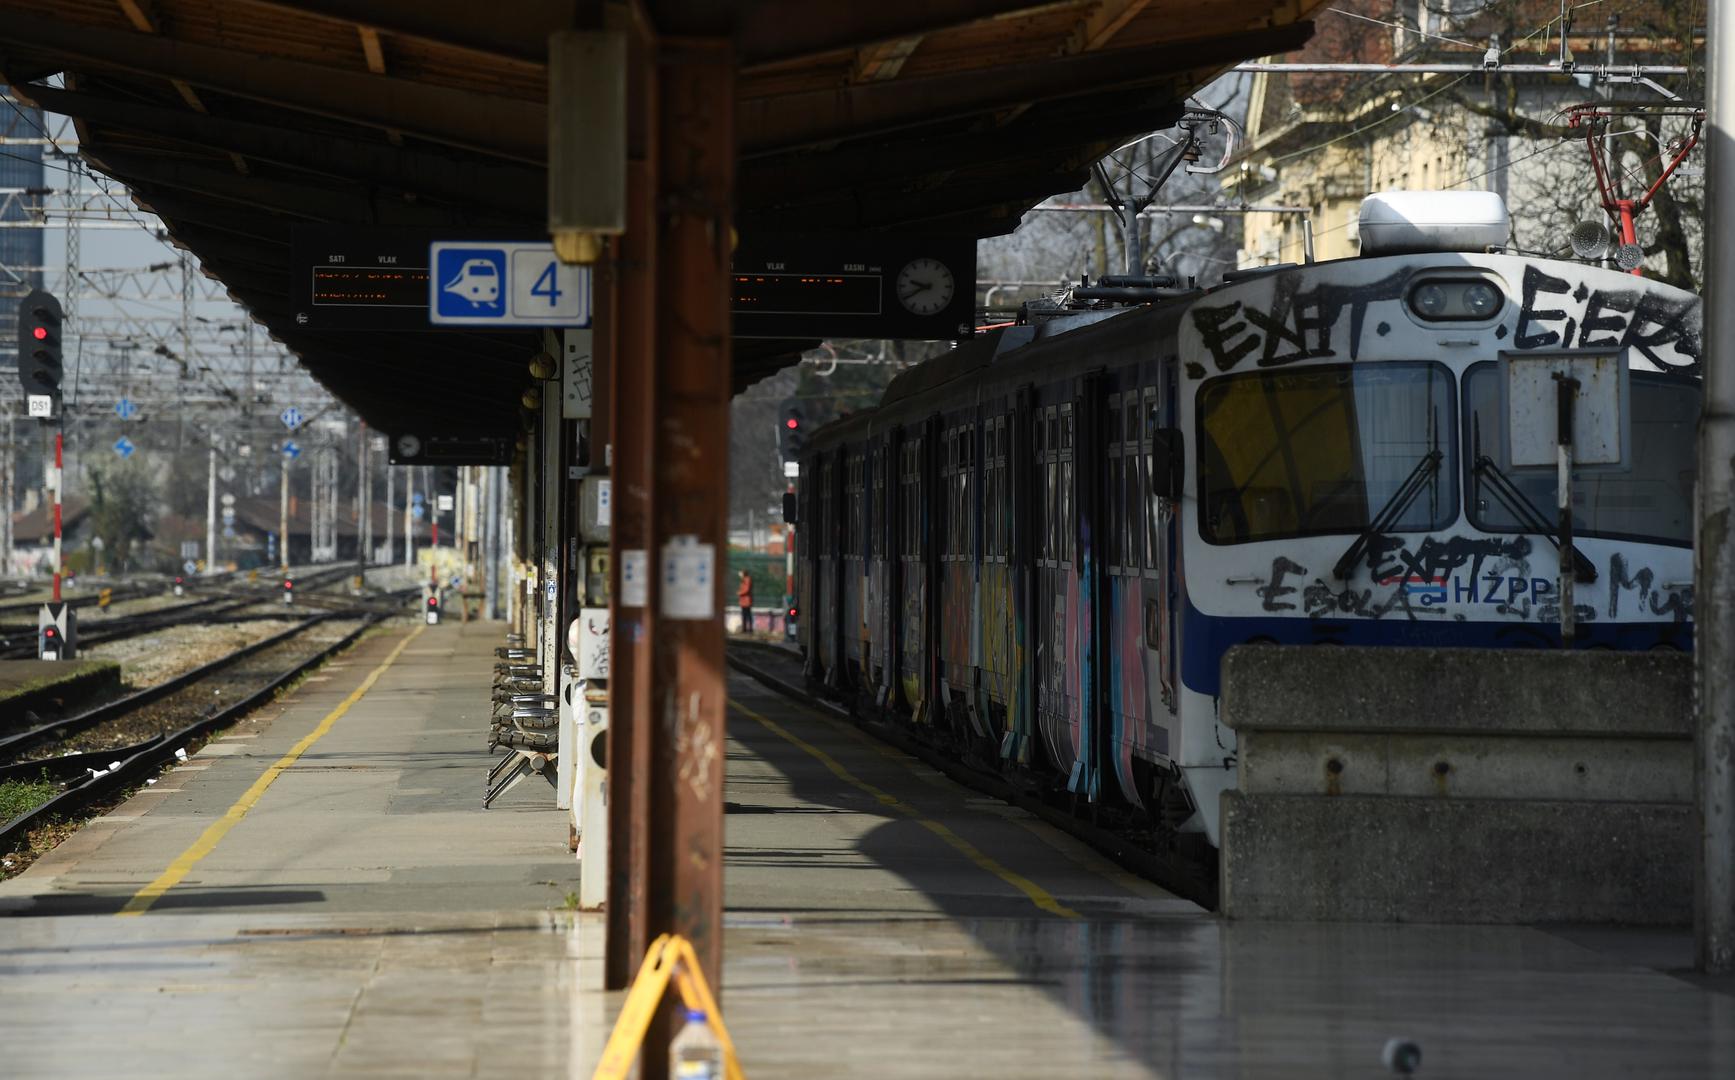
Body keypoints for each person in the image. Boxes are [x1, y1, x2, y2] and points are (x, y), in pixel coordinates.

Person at [737, 569, 754, 633]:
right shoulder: (744, 580)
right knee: (744, 615)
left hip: (746, 600)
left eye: (741, 573)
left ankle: (750, 629)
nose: (740, 575)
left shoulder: (747, 579)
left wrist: (740, 593)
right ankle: (744, 629)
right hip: (743, 600)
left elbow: (747, 589)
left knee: (748, 615)